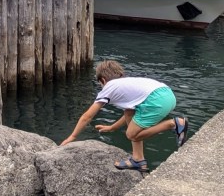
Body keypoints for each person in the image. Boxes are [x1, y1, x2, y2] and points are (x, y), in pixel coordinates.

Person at [60, 60, 188, 171]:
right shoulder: (127, 84)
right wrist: (112, 128)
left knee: (131, 134)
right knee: (129, 113)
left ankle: (173, 123)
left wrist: (73, 136)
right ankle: (138, 160)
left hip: (156, 100)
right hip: (167, 94)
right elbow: (128, 114)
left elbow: (87, 116)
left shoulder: (109, 88)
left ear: (103, 80)